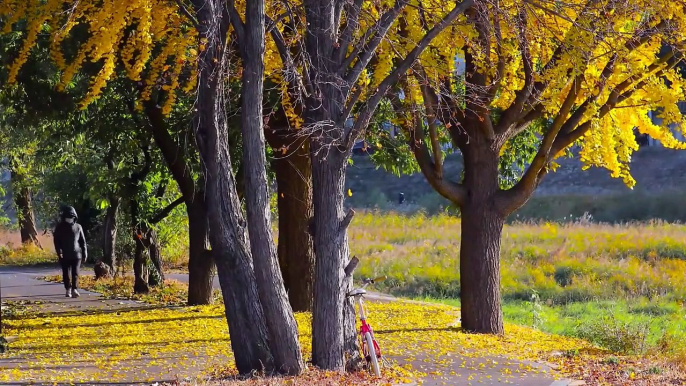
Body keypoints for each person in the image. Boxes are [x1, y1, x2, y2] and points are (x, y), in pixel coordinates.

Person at [53, 206, 87, 298]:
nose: (69, 219)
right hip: (65, 254)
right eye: (67, 217)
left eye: (71, 217)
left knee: (75, 273)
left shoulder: (78, 227)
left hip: (77, 254)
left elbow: (82, 241)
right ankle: (68, 289)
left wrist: (85, 253)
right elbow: (56, 241)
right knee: (66, 273)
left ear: (74, 217)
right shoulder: (59, 228)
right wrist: (59, 252)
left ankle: (74, 289)